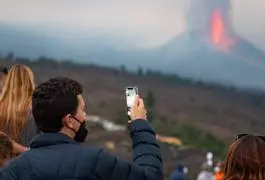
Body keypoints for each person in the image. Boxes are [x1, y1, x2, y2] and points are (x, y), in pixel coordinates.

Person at [0, 77, 163, 180]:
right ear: (69, 121)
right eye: (82, 110)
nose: (85, 116)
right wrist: (139, 122)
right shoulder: (95, 161)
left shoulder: (13, 170)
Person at [0, 64, 37, 150]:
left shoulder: (1, 108)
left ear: (9, 81)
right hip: (28, 160)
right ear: (30, 82)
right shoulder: (37, 111)